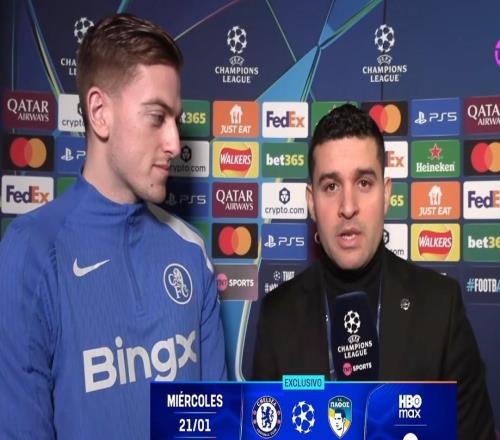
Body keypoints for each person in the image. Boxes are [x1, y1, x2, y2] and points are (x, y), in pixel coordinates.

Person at [0, 13, 226, 439]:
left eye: (176, 120)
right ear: (100, 113)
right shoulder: (31, 250)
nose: (175, 143)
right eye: (157, 117)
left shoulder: (190, 251)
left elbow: (213, 425)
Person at [252, 104, 495, 439]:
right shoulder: (277, 315)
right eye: (331, 186)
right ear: (311, 202)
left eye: (364, 182)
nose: (348, 207)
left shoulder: (442, 307)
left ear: (387, 194)